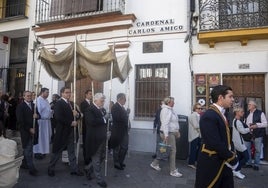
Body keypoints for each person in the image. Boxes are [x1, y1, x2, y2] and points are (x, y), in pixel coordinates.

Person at [195, 85, 238, 188]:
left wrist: (231, 151)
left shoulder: (222, 113)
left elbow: (226, 136)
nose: (233, 99)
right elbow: (214, 142)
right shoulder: (209, 116)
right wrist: (231, 157)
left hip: (223, 161)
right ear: (220, 98)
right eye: (230, 96)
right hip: (212, 163)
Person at [47, 87, 83, 177]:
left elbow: (79, 115)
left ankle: (74, 169)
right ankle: (51, 168)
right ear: (62, 93)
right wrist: (70, 122)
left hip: (71, 133)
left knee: (71, 151)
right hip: (62, 132)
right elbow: (58, 117)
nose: (69, 94)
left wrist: (77, 114)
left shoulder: (71, 104)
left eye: (69, 92)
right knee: (57, 151)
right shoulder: (59, 103)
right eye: (66, 92)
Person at [150, 96, 182, 177]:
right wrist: (166, 135)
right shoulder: (165, 110)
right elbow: (165, 123)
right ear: (168, 102)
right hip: (168, 133)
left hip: (172, 132)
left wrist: (177, 130)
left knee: (164, 150)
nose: (174, 103)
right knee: (172, 151)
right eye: (173, 102)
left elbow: (174, 122)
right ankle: (173, 171)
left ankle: (154, 163)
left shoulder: (171, 110)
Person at [84, 93, 107, 188]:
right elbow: (92, 122)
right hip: (94, 139)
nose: (103, 102)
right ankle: (99, 179)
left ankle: (88, 168)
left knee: (102, 156)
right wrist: (103, 119)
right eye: (102, 101)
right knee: (96, 159)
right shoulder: (89, 109)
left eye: (103, 101)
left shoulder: (100, 109)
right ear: (96, 100)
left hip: (102, 137)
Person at [16, 90, 39, 176]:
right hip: (25, 131)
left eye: (30, 96)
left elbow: (38, 115)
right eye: (28, 96)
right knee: (28, 149)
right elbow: (20, 121)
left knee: (28, 148)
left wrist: (37, 116)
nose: (29, 97)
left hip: (34, 130)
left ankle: (24, 163)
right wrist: (29, 129)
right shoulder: (20, 106)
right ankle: (31, 168)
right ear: (24, 97)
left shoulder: (34, 105)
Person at [244, 100, 267, 171]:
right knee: (247, 149)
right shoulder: (247, 113)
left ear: (254, 106)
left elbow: (265, 123)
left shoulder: (260, 113)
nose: (248, 106)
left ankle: (256, 164)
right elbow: (245, 122)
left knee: (258, 150)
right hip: (248, 134)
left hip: (257, 134)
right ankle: (249, 163)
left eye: (250, 105)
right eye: (248, 105)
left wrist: (257, 125)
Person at [109, 93, 130, 170]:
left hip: (124, 130)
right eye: (124, 99)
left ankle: (121, 161)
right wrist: (126, 113)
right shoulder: (114, 107)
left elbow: (125, 119)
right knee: (116, 148)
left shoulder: (123, 107)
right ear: (119, 99)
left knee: (125, 147)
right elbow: (117, 118)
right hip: (117, 131)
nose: (125, 101)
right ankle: (116, 163)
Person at [33, 88, 52, 160]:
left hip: (47, 121)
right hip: (41, 121)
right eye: (47, 92)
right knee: (40, 137)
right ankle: (37, 152)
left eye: (48, 92)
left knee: (45, 137)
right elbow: (38, 111)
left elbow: (48, 110)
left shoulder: (46, 100)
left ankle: (43, 151)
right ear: (42, 92)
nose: (48, 94)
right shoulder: (38, 100)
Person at [232, 107, 250, 179]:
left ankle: (237, 170)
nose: (243, 113)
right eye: (241, 112)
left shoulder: (235, 120)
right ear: (237, 113)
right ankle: (236, 170)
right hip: (239, 143)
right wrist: (250, 128)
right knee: (246, 157)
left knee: (239, 158)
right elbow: (242, 131)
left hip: (237, 142)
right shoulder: (238, 121)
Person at [0, 121, 18, 187]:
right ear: (2, 131)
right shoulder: (13, 143)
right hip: (13, 178)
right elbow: (15, 155)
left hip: (2, 181)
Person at [80, 89, 93, 166]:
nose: (91, 95)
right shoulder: (83, 103)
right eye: (90, 94)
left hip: (92, 127)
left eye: (91, 94)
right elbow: (85, 113)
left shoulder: (92, 103)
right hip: (86, 126)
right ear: (86, 95)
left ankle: (90, 156)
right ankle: (86, 159)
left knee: (90, 143)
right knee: (86, 143)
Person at [188, 103, 202, 169]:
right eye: (198, 108)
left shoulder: (197, 115)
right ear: (195, 109)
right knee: (193, 149)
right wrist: (203, 126)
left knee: (198, 149)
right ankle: (191, 163)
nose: (200, 110)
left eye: (201, 108)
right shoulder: (194, 115)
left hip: (198, 135)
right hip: (194, 135)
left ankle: (195, 161)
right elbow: (196, 125)